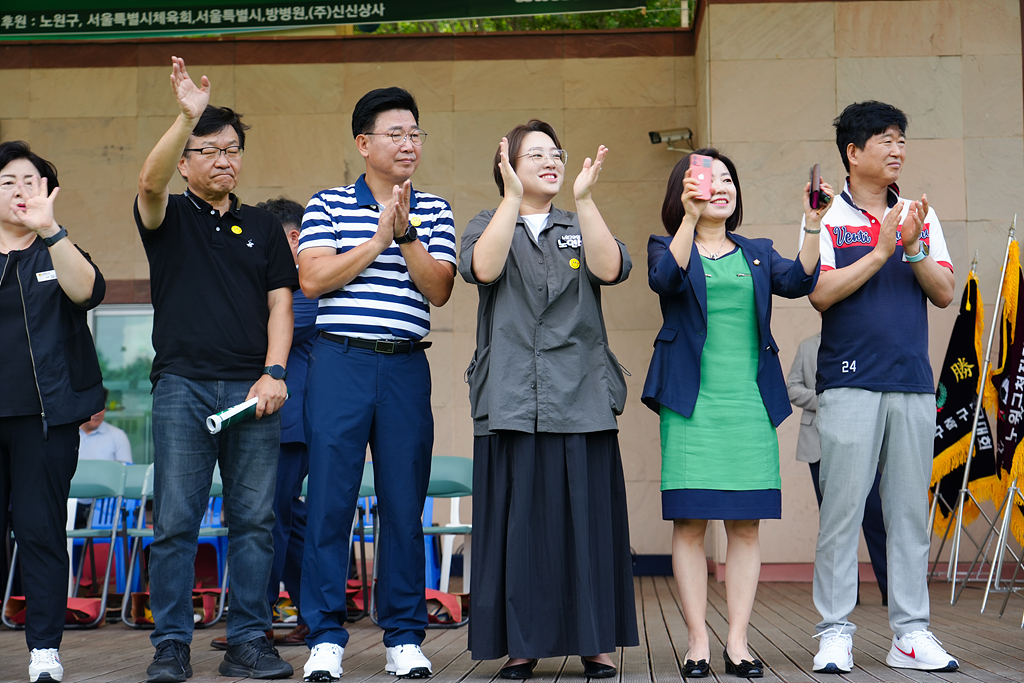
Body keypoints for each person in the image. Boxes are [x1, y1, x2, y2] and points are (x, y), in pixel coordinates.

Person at [135, 57, 296, 682]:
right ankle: (171, 645)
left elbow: (280, 303)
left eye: (233, 150)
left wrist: (275, 371)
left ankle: (248, 642)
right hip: (182, 388)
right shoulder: (168, 217)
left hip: (253, 389)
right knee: (176, 521)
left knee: (255, 521)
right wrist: (186, 116)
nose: (224, 159)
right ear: (186, 161)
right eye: (209, 149)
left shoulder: (260, 225)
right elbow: (147, 184)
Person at [459, 120, 638, 680]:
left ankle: (597, 642)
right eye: (533, 154)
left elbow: (611, 268)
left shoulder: (578, 221)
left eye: (555, 153)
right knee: (519, 527)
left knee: (587, 524)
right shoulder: (490, 223)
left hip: (580, 395)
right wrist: (512, 199)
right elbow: (482, 269)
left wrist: (585, 202)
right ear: (506, 163)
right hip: (511, 397)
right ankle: (522, 644)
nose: (550, 161)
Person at [641, 148, 824, 679]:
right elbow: (665, 281)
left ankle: (738, 640)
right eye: (706, 179)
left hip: (748, 404)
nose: (720, 186)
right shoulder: (668, 245)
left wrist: (812, 226)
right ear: (684, 189)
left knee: (745, 527)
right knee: (691, 523)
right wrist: (691, 218)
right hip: (691, 404)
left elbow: (802, 281)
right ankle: (698, 640)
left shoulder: (759, 252)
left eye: (728, 180)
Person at [297, 87, 456, 683]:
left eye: (415, 133)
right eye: (396, 133)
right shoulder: (328, 205)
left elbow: (438, 289)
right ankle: (326, 637)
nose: (409, 143)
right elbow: (312, 280)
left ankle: (404, 636)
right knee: (331, 503)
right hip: (339, 365)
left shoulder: (435, 209)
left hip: (405, 366)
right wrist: (376, 241)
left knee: (403, 504)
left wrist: (408, 232)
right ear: (364, 143)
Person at [808, 101, 958, 674]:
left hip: (913, 383)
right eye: (885, 141)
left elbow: (943, 292)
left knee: (907, 516)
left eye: (901, 141)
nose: (897, 150)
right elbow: (820, 293)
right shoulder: (830, 216)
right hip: (849, 382)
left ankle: (910, 634)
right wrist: (880, 251)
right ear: (853, 151)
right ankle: (835, 631)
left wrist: (914, 245)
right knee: (842, 512)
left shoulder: (921, 214)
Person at [0, 140, 106, 683]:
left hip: (45, 421)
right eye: (8, 182)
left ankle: (44, 649)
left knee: (40, 531)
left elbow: (87, 293)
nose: (20, 191)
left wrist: (50, 230)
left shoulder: (54, 248)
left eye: (31, 182)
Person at [208, 197, 317, 652]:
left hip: (288, 422)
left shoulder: (303, 291)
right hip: (262, 418)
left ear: (292, 238)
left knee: (268, 518)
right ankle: (312, 610)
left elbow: (267, 331)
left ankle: (257, 621)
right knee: (283, 518)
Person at [786, 331, 888, 605]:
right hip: (817, 443)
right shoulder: (807, 346)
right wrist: (823, 401)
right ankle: (845, 596)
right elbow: (791, 387)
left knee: (875, 515)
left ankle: (891, 591)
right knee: (833, 520)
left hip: (861, 439)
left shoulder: (861, 339)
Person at [75, 387, 133, 528]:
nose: (98, 412)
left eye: (101, 406)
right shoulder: (66, 437)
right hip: (70, 505)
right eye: (93, 406)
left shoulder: (117, 436)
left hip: (106, 509)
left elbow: (127, 476)